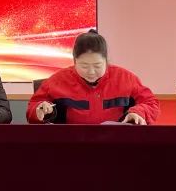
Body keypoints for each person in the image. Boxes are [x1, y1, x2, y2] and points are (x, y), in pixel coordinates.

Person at [27, 29, 159, 125]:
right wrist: (39, 109)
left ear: (106, 61)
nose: (91, 72)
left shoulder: (125, 78)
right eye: (84, 66)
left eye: (97, 65)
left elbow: (151, 102)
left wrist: (138, 112)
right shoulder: (58, 80)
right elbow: (33, 107)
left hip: (116, 143)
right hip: (71, 144)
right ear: (74, 61)